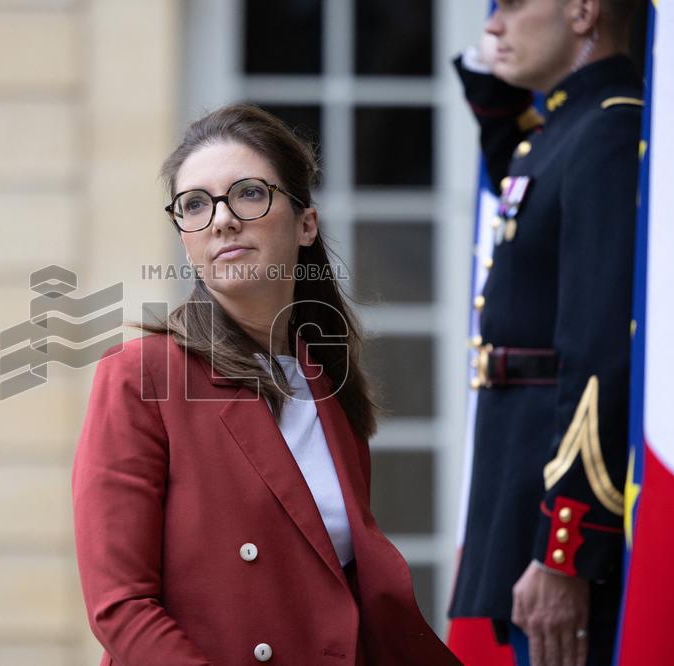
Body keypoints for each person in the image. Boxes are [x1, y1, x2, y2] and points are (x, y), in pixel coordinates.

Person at [72, 104, 460, 665]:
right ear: (185, 239)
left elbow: (348, 599)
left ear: (306, 224)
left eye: (249, 193)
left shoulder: (328, 389)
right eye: (196, 205)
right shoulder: (141, 376)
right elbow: (121, 606)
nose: (222, 220)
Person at [448, 1, 643, 665]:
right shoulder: (562, 131)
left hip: (560, 520)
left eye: (512, 5)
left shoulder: (612, 131)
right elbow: (518, 179)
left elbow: (599, 354)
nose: (493, 26)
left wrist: (565, 550)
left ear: (584, 10)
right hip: (520, 492)